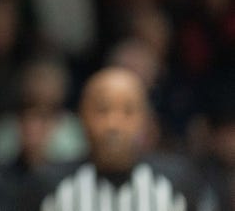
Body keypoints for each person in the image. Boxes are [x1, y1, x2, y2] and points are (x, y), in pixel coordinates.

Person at [30, 66, 219, 211]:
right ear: (82, 116)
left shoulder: (180, 182)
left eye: (128, 111)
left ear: (145, 120)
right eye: (102, 110)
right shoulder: (48, 185)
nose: (114, 124)